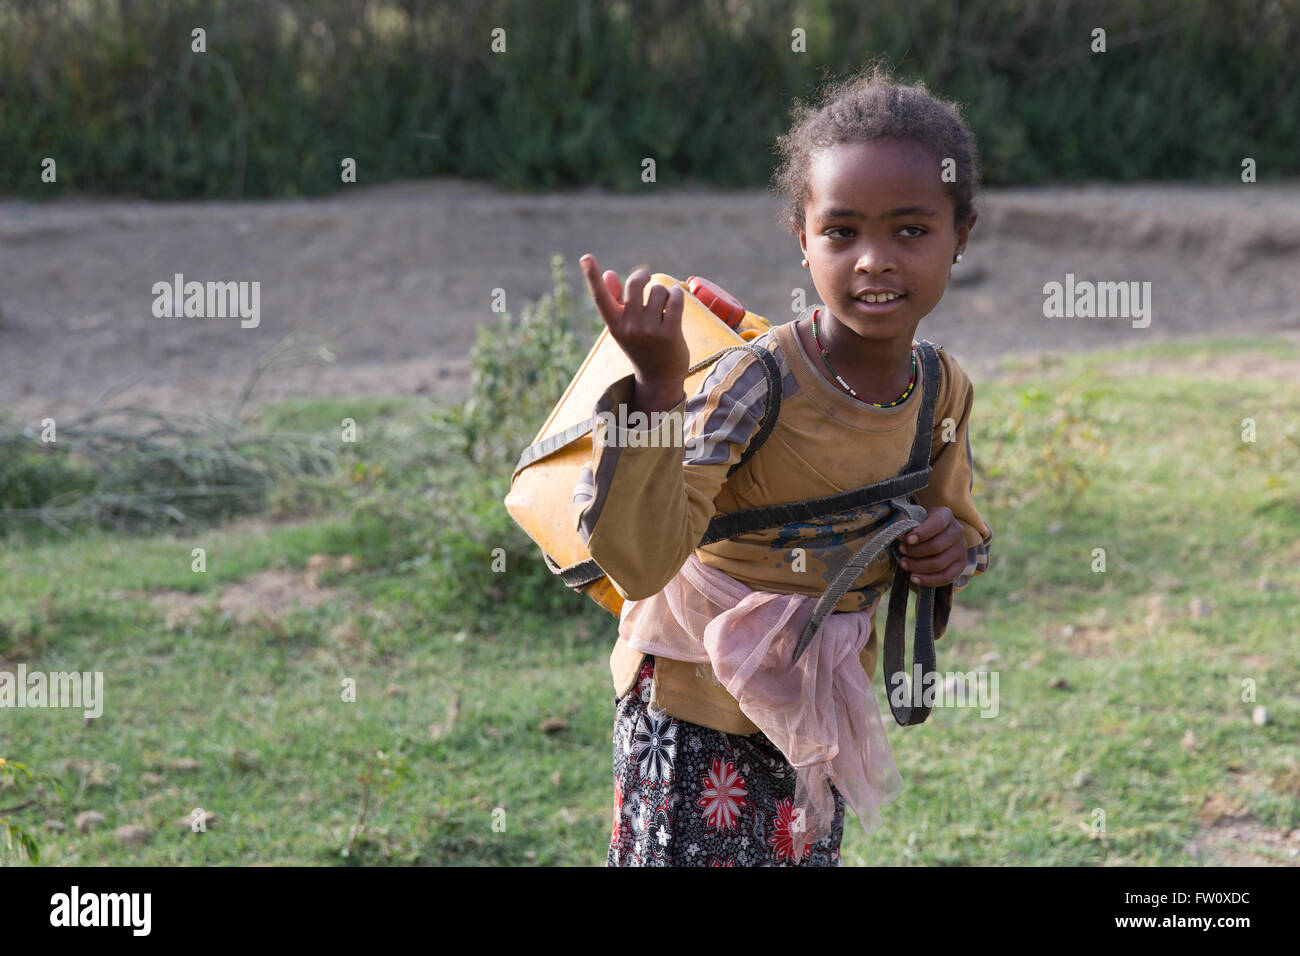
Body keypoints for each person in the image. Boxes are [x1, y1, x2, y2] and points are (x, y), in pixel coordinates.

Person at [575, 64, 993, 867]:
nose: (873, 260)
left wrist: (950, 552)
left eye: (910, 230)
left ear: (960, 234)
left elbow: (963, 528)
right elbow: (642, 558)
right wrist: (660, 389)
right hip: (693, 713)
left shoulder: (940, 388)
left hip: (817, 711)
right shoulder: (756, 381)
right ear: (803, 240)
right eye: (842, 233)